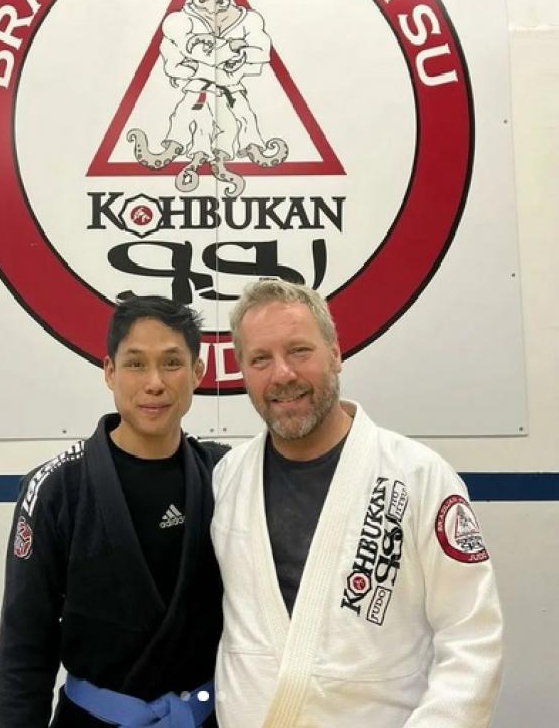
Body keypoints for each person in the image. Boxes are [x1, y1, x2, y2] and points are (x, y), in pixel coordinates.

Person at [211, 279, 503, 728]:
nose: (282, 374)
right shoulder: (228, 478)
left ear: (335, 353)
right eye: (260, 359)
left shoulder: (419, 476)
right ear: (243, 371)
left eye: (299, 351)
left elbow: (471, 635)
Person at [0, 296, 224, 727]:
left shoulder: (224, 476)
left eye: (172, 363)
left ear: (197, 372)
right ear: (109, 372)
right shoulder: (57, 487)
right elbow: (25, 647)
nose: (154, 383)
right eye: (135, 364)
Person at [127, 0, 288, 198]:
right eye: (201, 0)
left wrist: (232, 57)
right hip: (197, 92)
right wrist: (230, 50)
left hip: (231, 93)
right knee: (188, 119)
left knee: (240, 122)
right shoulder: (179, 22)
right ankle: (193, 155)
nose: (211, 8)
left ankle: (223, 157)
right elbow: (182, 56)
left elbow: (260, 52)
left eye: (221, 1)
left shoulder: (249, 21)